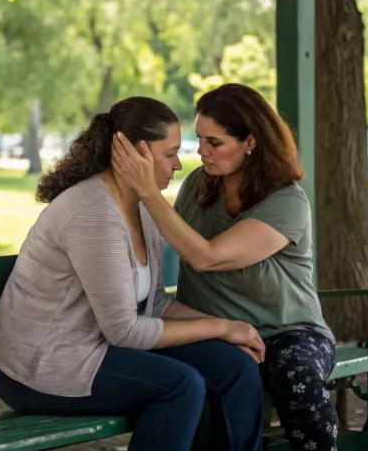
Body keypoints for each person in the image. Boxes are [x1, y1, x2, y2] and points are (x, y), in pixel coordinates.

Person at [0, 96, 265, 451]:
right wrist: (221, 327)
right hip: (42, 365)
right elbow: (126, 331)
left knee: (232, 366)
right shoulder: (93, 213)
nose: (178, 165)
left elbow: (156, 303)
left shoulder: (143, 210)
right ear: (138, 154)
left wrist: (228, 330)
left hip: (98, 347)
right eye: (170, 153)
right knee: (180, 386)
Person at [111, 83, 338, 451]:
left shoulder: (286, 201)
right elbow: (156, 237)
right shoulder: (199, 186)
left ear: (250, 141)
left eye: (214, 143)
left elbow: (207, 257)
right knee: (194, 382)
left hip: (285, 332)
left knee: (297, 376)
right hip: (210, 331)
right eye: (199, 139)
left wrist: (149, 193)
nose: (200, 152)